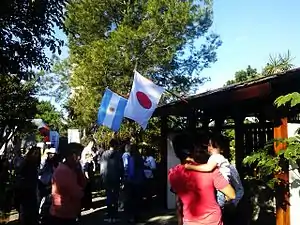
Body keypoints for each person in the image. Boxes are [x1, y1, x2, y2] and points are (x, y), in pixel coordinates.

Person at [168, 133, 236, 225]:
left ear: (176, 154)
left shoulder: (173, 174)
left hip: (189, 222)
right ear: (194, 150)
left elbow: (179, 203)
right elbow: (232, 194)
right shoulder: (211, 171)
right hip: (213, 221)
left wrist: (180, 222)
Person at [185, 134, 231, 208]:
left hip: (220, 190)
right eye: (209, 145)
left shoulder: (216, 157)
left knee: (217, 207)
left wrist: (191, 167)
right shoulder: (218, 157)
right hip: (222, 188)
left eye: (213, 146)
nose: (210, 148)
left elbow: (208, 168)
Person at [48, 143, 85, 225]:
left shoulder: (72, 169)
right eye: (77, 155)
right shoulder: (64, 171)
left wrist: (79, 171)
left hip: (69, 213)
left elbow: (83, 184)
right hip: (61, 215)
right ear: (70, 155)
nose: (79, 158)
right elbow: (78, 193)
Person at [100, 139, 124, 223]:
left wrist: (102, 177)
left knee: (109, 195)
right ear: (116, 146)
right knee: (116, 196)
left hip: (107, 178)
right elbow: (121, 168)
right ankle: (115, 215)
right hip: (116, 178)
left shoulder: (104, 154)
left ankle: (109, 213)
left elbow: (102, 168)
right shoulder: (118, 155)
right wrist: (122, 178)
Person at [124, 144, 145, 223]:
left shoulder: (132, 158)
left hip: (133, 182)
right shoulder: (140, 158)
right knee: (138, 199)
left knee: (131, 200)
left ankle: (132, 217)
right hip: (140, 181)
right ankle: (138, 216)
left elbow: (131, 172)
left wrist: (128, 179)